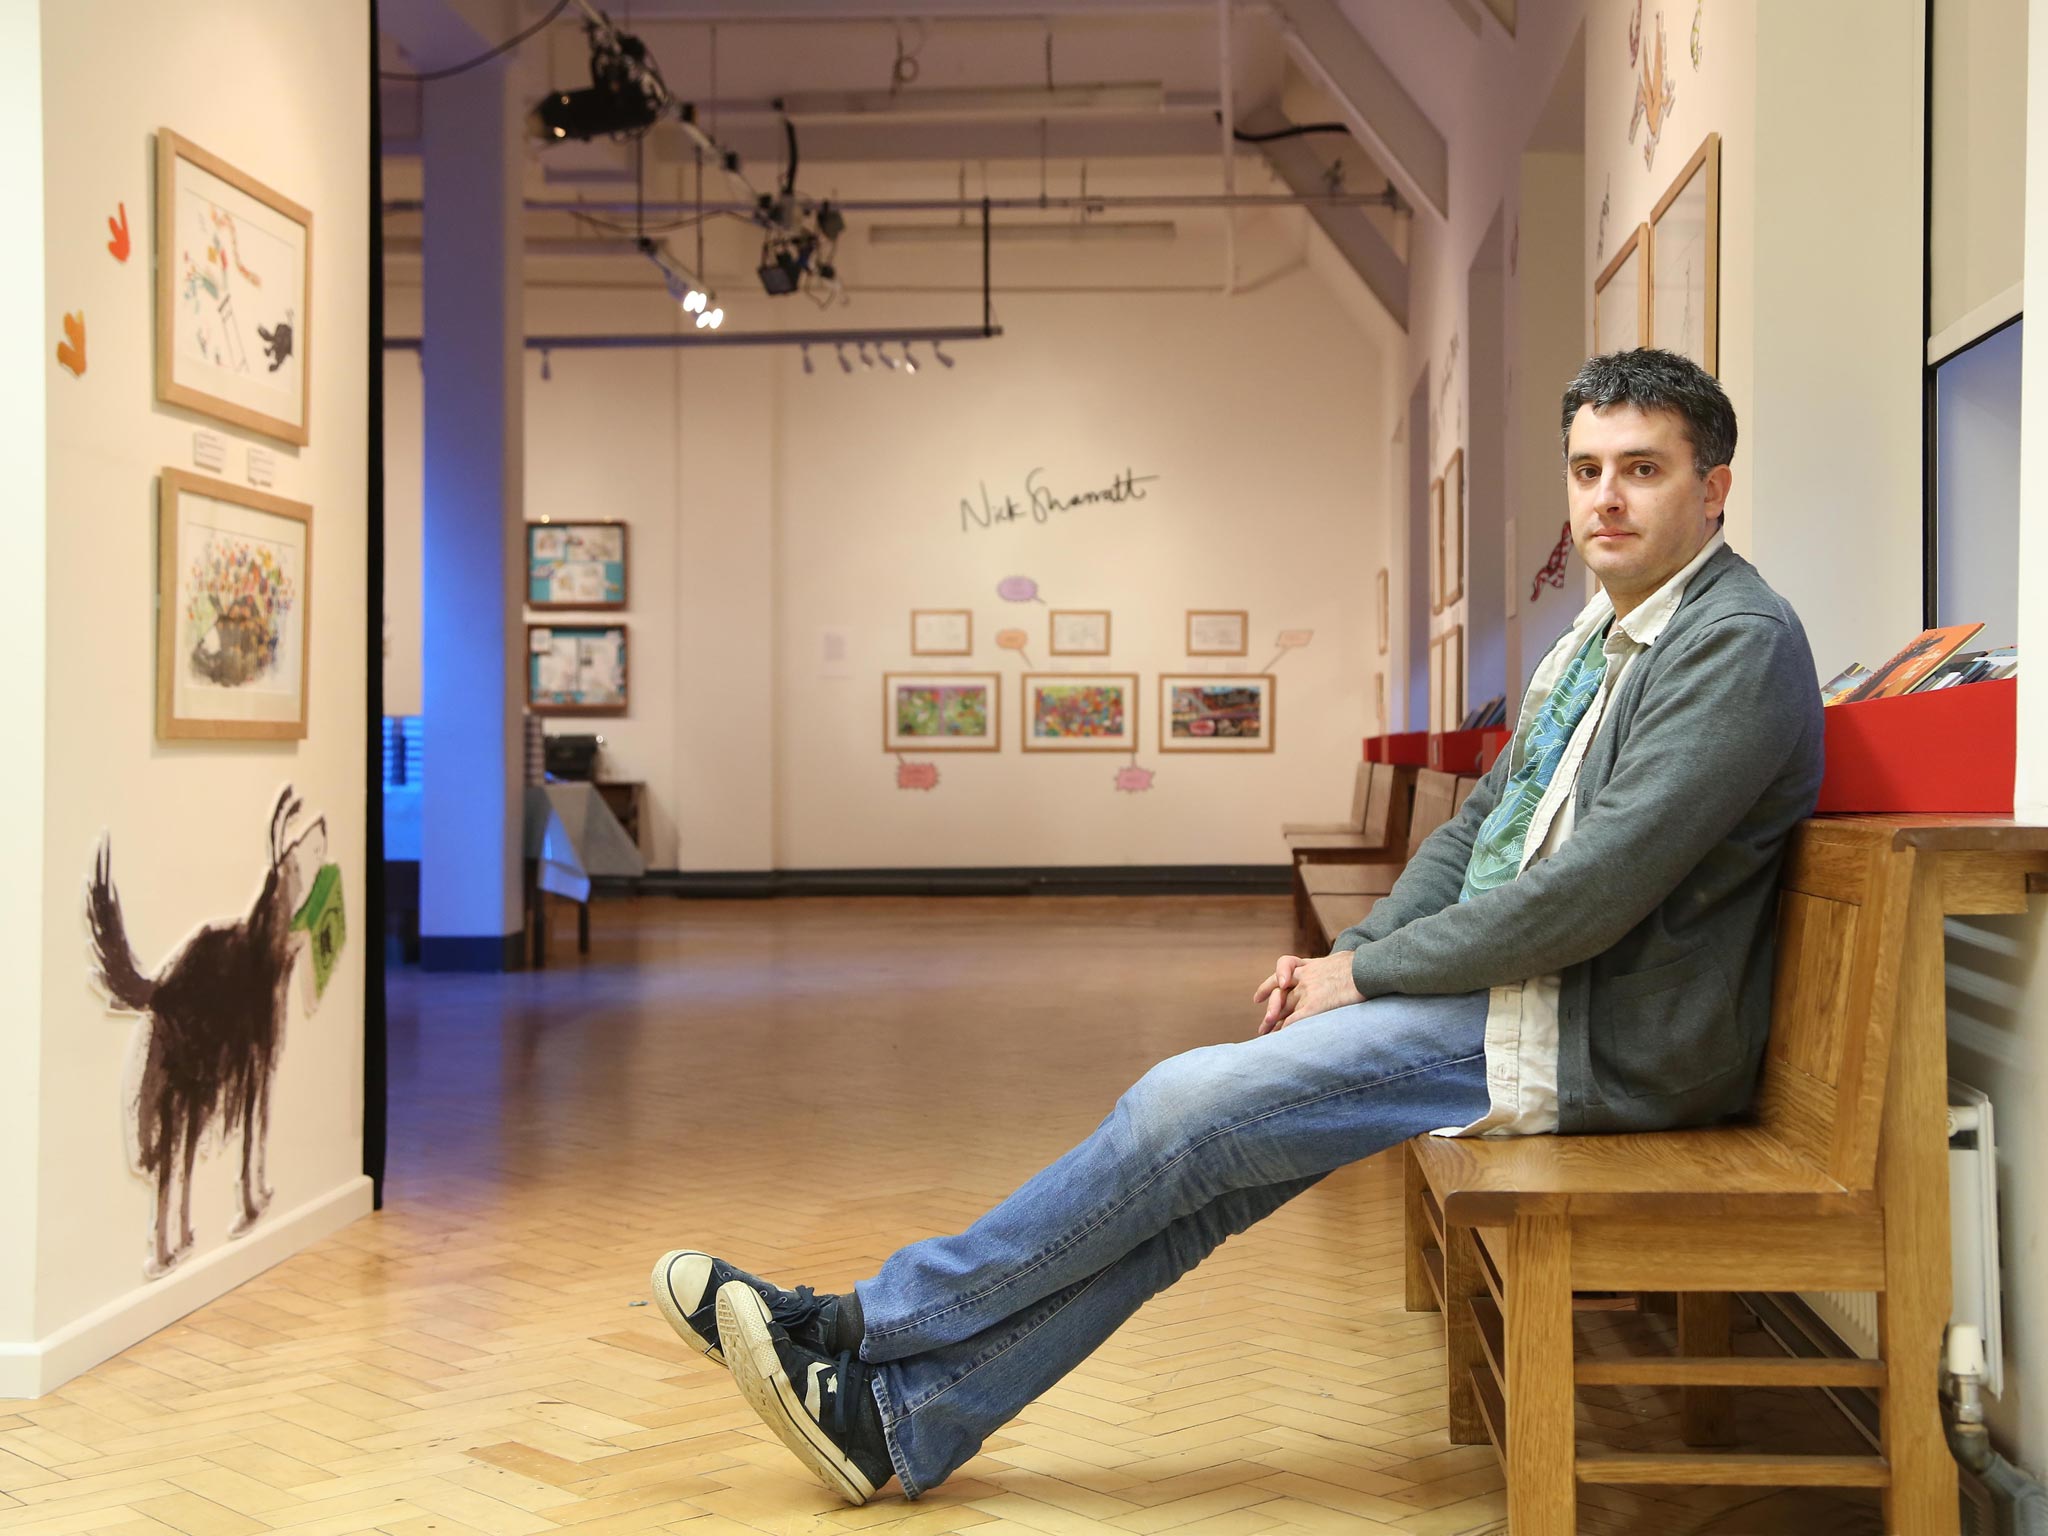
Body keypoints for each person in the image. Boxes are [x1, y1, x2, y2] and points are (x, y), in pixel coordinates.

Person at [648, 348, 1825, 1507]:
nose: (1603, 499)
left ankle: (862, 1321)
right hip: (1523, 995)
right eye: (1584, 471)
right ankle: (892, 1425)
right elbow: (1481, 831)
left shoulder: (1733, 641)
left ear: (1710, 486)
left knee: (1183, 1107)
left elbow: (1590, 893)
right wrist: (1348, 958)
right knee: (1205, 1175)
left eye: (1640, 469)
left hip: (1600, 1034)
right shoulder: (1599, 636)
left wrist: (1362, 983)